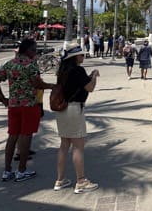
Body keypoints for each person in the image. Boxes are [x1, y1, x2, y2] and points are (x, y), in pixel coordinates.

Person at [0, 38, 54, 182]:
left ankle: (7, 170)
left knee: (12, 136)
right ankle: (21, 170)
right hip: (29, 105)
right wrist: (53, 86)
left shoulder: (9, 64)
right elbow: (37, 84)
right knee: (26, 136)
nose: (35, 52)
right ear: (28, 50)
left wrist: (3, 99)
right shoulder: (31, 65)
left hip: (13, 106)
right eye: (34, 50)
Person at [53, 42, 100, 194]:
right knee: (78, 146)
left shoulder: (62, 71)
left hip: (62, 109)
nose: (83, 56)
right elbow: (90, 88)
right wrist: (93, 76)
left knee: (64, 144)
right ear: (75, 57)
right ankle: (81, 181)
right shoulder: (78, 70)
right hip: (74, 109)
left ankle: (60, 180)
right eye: (81, 55)